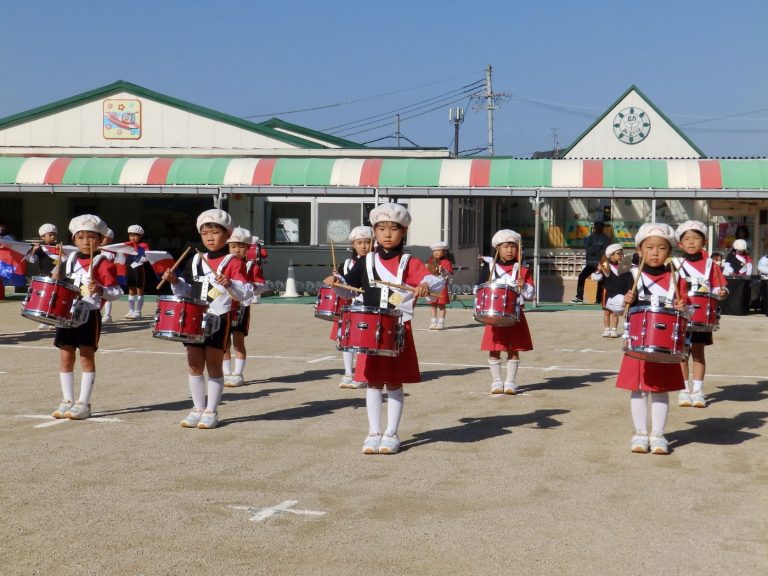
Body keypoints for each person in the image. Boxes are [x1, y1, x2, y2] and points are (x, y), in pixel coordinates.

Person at [323, 203, 443, 455]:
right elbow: (347, 287)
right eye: (381, 228)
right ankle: (373, 432)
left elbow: (435, 281)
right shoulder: (366, 260)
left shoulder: (410, 261)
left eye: (393, 229)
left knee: (394, 382)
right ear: (374, 232)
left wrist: (424, 284)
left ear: (404, 232)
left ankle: (391, 433)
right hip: (369, 331)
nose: (387, 234)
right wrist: (337, 282)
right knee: (373, 382)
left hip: (398, 328)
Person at [161, 209, 252, 429]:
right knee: (193, 365)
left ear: (227, 234)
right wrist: (174, 281)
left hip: (218, 318)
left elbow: (247, 292)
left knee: (214, 366)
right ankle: (197, 408)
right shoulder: (194, 260)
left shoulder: (233, 262)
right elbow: (186, 291)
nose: (210, 237)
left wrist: (230, 283)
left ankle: (211, 410)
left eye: (215, 232)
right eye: (205, 233)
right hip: (194, 319)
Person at [616, 223, 688, 455]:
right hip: (637, 342)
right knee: (638, 389)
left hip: (664, 345)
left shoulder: (676, 278)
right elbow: (613, 307)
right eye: (649, 247)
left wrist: (682, 308)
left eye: (661, 248)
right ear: (639, 249)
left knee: (660, 390)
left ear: (670, 251)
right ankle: (639, 433)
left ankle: (658, 435)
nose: (655, 252)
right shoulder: (630, 275)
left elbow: (687, 315)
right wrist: (624, 300)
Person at [50, 215, 122, 420]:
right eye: (80, 238)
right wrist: (56, 277)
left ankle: (83, 402)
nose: (85, 242)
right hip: (67, 314)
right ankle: (67, 400)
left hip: (89, 314)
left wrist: (100, 289)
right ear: (74, 240)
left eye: (91, 238)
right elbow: (59, 283)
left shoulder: (104, 262)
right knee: (65, 357)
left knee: (86, 356)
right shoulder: (69, 259)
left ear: (101, 240)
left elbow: (117, 292)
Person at [674, 221, 729, 409]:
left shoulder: (711, 265)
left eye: (696, 238)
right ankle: (684, 390)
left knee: (698, 353)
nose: (691, 242)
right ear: (679, 244)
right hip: (680, 316)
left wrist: (722, 293)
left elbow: (721, 287)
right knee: (682, 355)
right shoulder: (674, 264)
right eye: (687, 239)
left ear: (704, 241)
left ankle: (698, 391)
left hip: (701, 318)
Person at [478, 229, 535, 395]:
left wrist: (523, 285)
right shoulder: (489, 267)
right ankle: (496, 381)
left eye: (513, 246)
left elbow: (531, 294)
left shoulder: (522, 270)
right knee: (494, 348)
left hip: (515, 314)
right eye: (505, 246)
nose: (510, 250)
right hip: (493, 316)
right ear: (498, 249)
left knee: (513, 348)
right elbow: (478, 288)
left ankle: (510, 382)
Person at [222, 227, 266, 387]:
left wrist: (251, 288)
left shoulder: (251, 266)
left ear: (248, 248)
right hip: (224, 306)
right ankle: (226, 373)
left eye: (241, 246)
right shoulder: (224, 263)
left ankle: (238, 373)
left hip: (241, 306)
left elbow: (263, 285)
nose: (236, 250)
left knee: (238, 341)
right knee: (224, 342)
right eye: (233, 246)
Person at [335, 225, 372, 389]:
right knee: (348, 340)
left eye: (367, 242)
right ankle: (348, 372)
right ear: (353, 244)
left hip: (370, 305)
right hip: (353, 306)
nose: (363, 246)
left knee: (365, 342)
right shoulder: (346, 264)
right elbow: (345, 286)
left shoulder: (373, 262)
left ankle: (363, 374)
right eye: (359, 242)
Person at [591, 243, 632, 338]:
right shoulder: (605, 265)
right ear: (611, 255)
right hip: (608, 292)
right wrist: (599, 270)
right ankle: (607, 329)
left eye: (622, 253)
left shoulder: (623, 266)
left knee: (615, 312)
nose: (621, 255)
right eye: (618, 253)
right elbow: (595, 278)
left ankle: (614, 330)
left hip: (620, 292)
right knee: (606, 312)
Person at [571, 221, 611, 303]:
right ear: (594, 227)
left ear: (603, 227)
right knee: (581, 277)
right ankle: (579, 297)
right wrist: (599, 248)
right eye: (596, 226)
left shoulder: (606, 239)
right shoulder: (589, 238)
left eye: (600, 226)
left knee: (602, 281)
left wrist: (595, 250)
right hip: (591, 263)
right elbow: (588, 250)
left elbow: (605, 251)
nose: (597, 228)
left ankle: (599, 300)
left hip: (602, 262)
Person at [124, 225, 149, 319]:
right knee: (130, 289)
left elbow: (147, 257)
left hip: (138, 268)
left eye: (135, 235)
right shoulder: (127, 245)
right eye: (130, 235)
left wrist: (137, 261)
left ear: (140, 236)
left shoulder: (144, 245)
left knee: (139, 289)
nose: (132, 237)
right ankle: (131, 310)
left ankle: (138, 311)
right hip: (129, 268)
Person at [427, 241, 453, 330]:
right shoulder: (431, 261)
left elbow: (449, 274)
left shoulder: (447, 262)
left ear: (444, 252)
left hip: (442, 287)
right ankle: (433, 322)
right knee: (433, 305)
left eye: (439, 251)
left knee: (442, 305)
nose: (436, 253)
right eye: (434, 251)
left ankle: (441, 322)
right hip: (432, 287)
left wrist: (443, 270)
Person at [99, 228, 118, 323]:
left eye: (104, 237)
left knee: (107, 294)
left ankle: (107, 315)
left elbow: (108, 258)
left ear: (110, 239)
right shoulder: (98, 248)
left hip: (107, 275)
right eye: (101, 237)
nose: (102, 239)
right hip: (98, 275)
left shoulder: (111, 250)